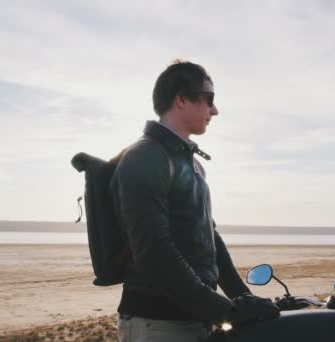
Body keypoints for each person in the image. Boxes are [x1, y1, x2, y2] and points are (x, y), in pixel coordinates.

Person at [110, 60, 279, 342]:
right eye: (209, 99)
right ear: (181, 99)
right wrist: (227, 311)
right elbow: (154, 254)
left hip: (197, 320)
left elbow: (211, 241)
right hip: (159, 325)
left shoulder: (192, 165)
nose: (215, 110)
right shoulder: (146, 157)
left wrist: (244, 300)